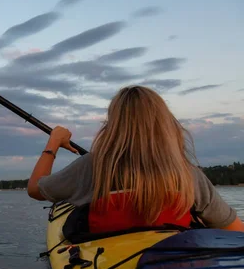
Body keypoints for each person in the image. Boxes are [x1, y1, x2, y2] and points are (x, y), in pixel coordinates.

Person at [27, 85, 244, 232]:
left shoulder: (93, 165)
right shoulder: (187, 174)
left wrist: (53, 142)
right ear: (165, 125)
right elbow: (235, 231)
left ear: (112, 126)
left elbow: (36, 189)